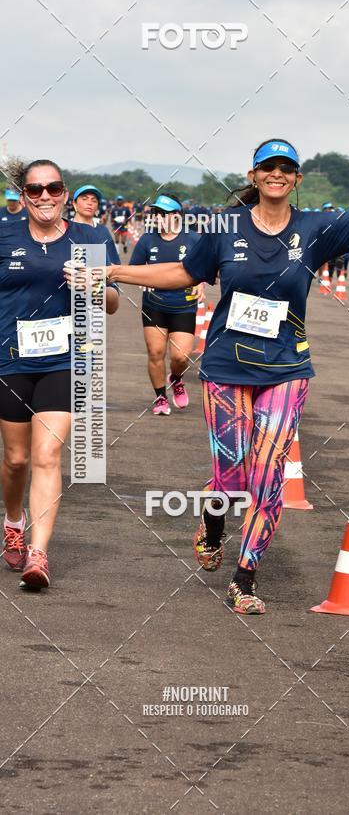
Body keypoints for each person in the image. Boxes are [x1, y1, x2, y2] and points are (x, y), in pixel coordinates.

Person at [100, 138, 349, 614]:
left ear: (297, 179)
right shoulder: (225, 228)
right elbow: (185, 273)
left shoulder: (315, 228)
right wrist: (117, 271)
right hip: (227, 366)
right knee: (231, 477)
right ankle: (212, 521)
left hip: (287, 367)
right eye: (268, 167)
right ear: (253, 176)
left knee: (268, 476)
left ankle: (244, 578)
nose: (277, 174)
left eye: (286, 168)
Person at [0, 159, 118, 589]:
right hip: (10, 361)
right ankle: (13, 520)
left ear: (65, 193)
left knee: (47, 455)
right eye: (35, 190)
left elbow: (113, 303)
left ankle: (38, 553)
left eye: (53, 188)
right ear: (23, 196)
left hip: (67, 361)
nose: (45, 196)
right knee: (15, 460)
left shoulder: (91, 237)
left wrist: (96, 286)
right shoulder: (5, 234)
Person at [128, 193, 203, 415]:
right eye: (155, 213)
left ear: (177, 216)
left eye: (163, 213)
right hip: (154, 306)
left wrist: (202, 283)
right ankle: (160, 397)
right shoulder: (147, 240)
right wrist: (143, 279)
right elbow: (133, 269)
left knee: (180, 356)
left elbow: (207, 268)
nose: (158, 217)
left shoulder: (193, 239)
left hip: (184, 306)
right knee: (156, 352)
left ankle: (176, 378)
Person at [71, 184, 120, 268]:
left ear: (97, 207)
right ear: (74, 203)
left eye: (94, 201)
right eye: (84, 199)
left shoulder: (103, 231)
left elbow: (113, 266)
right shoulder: (64, 229)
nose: (89, 203)